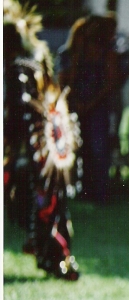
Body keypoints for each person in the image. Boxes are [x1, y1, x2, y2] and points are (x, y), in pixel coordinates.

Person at [3, 0, 81, 280]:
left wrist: (11, 145)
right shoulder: (36, 63)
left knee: (40, 205)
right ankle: (57, 257)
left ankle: (55, 258)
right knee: (50, 203)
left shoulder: (17, 69)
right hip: (46, 149)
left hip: (32, 150)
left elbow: (21, 113)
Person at [57, 14, 120, 204]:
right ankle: (82, 190)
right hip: (76, 105)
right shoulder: (71, 54)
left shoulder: (106, 53)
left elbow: (110, 83)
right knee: (79, 150)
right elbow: (66, 81)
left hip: (97, 108)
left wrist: (90, 104)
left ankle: (99, 193)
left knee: (98, 149)